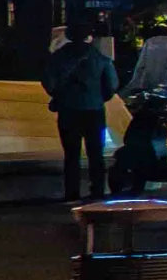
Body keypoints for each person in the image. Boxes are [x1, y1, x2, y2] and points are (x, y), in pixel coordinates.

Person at [42, 29, 119, 202]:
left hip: (68, 110)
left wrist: (61, 96)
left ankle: (72, 192)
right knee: (96, 153)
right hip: (94, 110)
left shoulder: (58, 58)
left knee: (71, 154)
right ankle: (97, 191)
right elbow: (111, 85)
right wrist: (97, 98)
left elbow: (48, 81)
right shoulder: (100, 58)